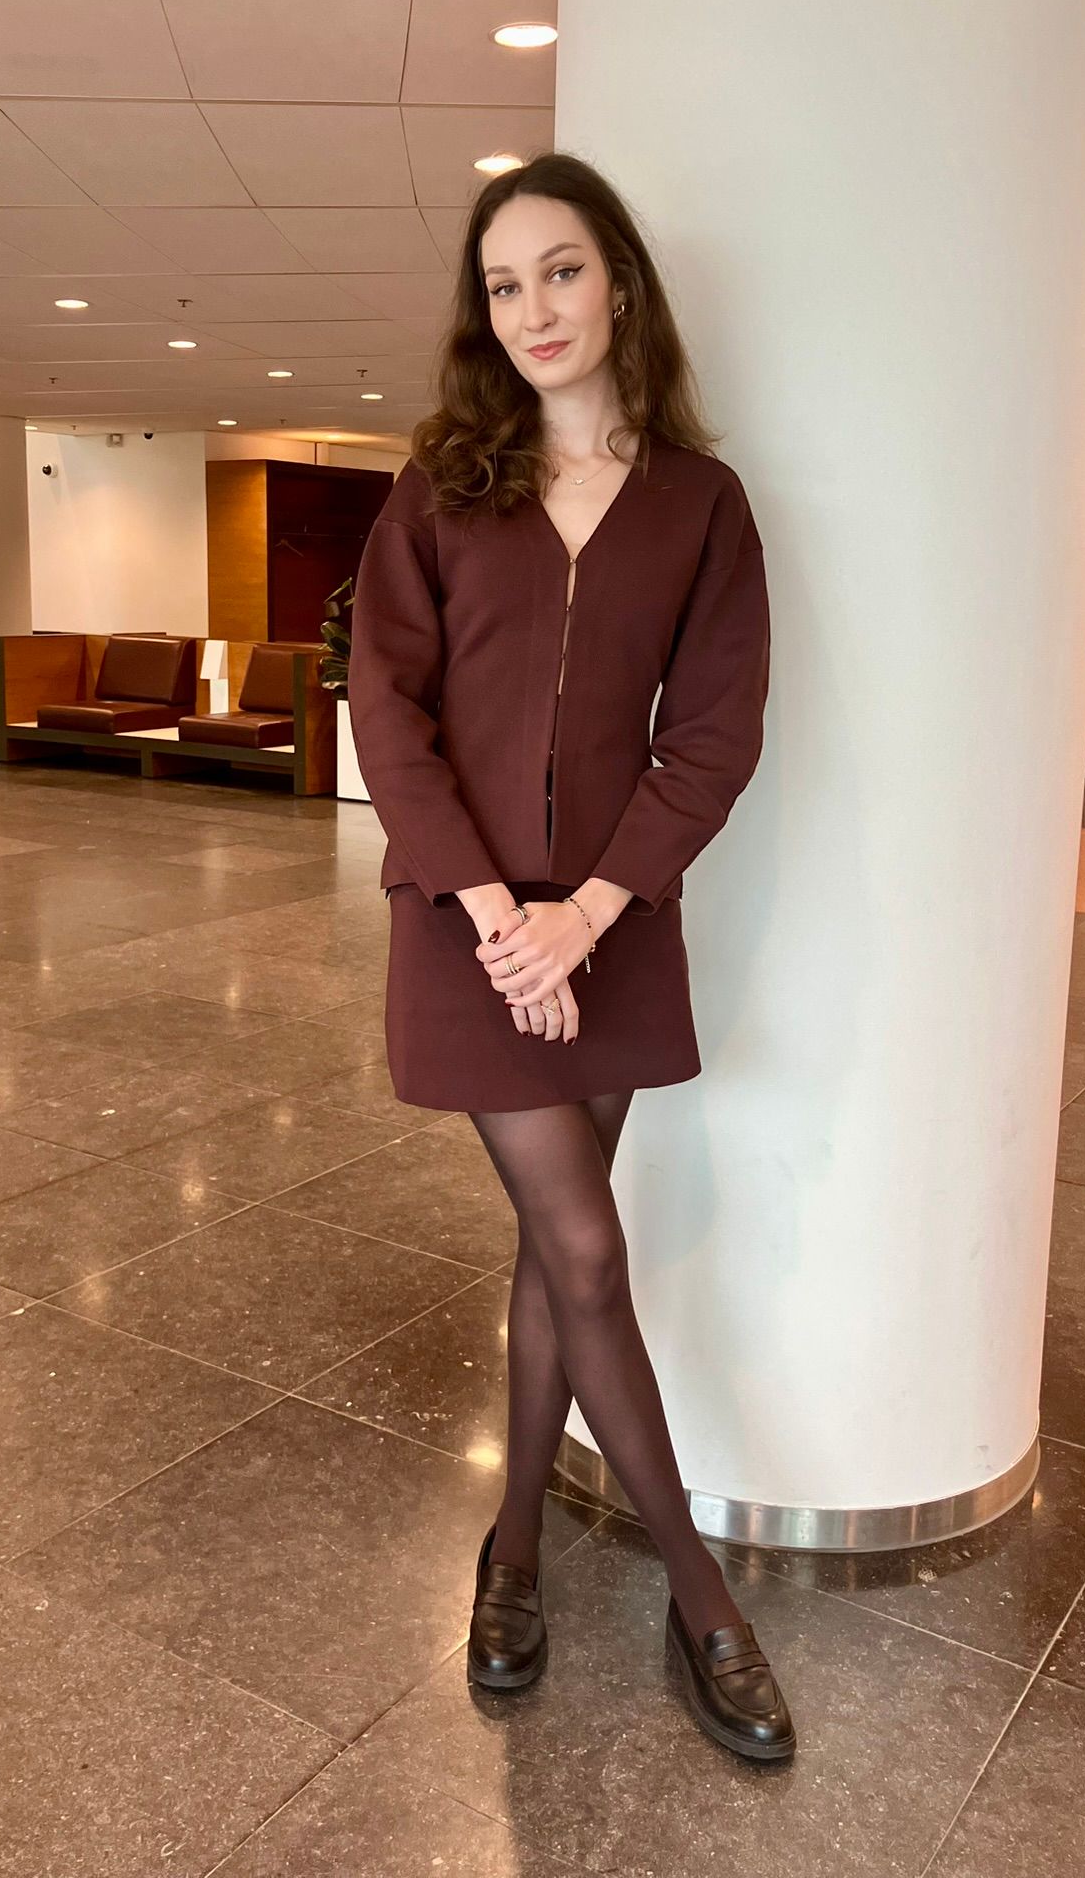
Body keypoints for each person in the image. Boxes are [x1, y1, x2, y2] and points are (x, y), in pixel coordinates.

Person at [346, 150, 793, 1763]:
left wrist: (586, 916)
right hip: (471, 931)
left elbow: (716, 736)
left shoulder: (700, 503)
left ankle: (516, 1554)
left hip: (607, 932)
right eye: (503, 282)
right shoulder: (439, 490)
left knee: (558, 1252)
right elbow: (387, 717)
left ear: (620, 285)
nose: (533, 308)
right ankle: (705, 1599)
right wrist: (493, 918)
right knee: (590, 1254)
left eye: (561, 271)